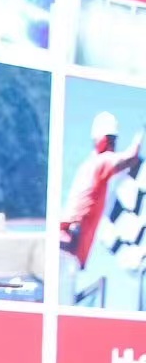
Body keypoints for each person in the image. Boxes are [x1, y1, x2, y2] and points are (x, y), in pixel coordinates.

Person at [60, 111, 143, 271]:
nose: (112, 146)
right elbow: (131, 157)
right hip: (69, 244)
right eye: (111, 140)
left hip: (68, 243)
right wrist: (141, 133)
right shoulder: (102, 162)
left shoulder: (89, 165)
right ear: (106, 140)